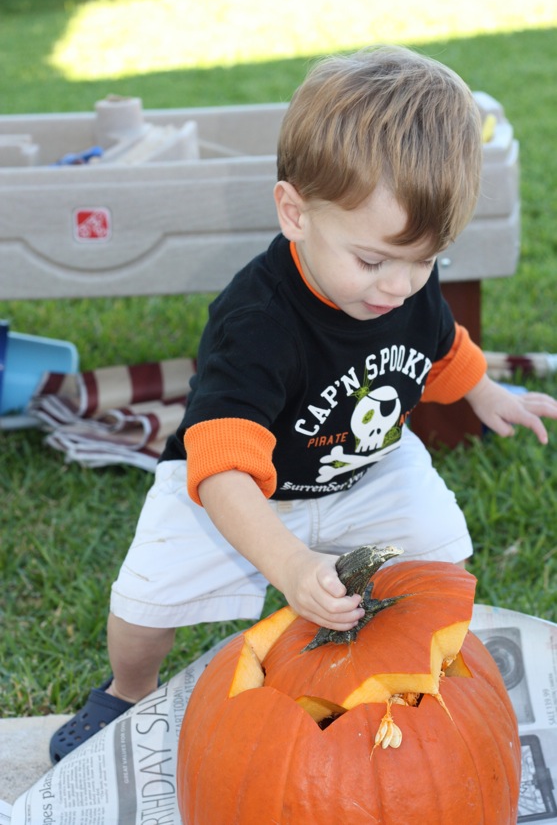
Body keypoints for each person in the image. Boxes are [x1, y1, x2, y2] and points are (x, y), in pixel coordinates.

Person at [50, 45, 557, 761]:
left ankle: (408, 659)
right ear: (294, 211)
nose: (399, 287)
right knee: (147, 597)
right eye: (374, 260)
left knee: (443, 551)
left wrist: (485, 391)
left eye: (427, 260)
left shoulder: (404, 282)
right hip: (235, 488)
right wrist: (287, 565)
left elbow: (442, 344)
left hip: (364, 467)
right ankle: (127, 690)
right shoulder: (256, 319)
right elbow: (221, 470)